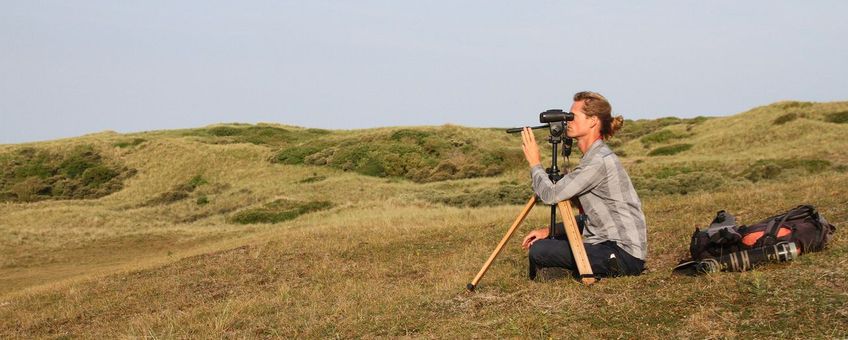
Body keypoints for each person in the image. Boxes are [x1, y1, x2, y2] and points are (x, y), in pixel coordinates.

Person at [519, 91, 647, 279]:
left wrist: (534, 163)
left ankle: (566, 272)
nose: (568, 121)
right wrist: (549, 231)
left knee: (540, 250)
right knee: (544, 245)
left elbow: (551, 195)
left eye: (573, 116)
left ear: (593, 121)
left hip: (622, 253)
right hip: (611, 247)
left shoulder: (598, 161)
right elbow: (591, 218)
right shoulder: (594, 157)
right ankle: (568, 271)